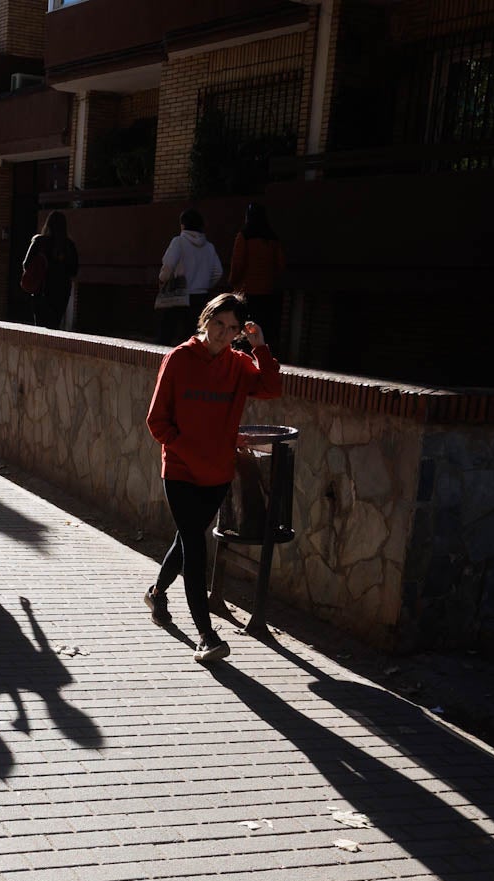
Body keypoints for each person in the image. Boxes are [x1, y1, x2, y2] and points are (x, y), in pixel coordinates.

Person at [144, 292, 281, 663]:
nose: (223, 334)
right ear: (206, 320)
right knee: (195, 545)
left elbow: (270, 388)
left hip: (218, 472)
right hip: (181, 470)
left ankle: (157, 593)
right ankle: (206, 635)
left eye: (232, 328)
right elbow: (157, 421)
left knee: (187, 541)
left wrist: (260, 348)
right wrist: (185, 448)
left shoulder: (238, 364)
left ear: (239, 333)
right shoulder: (178, 359)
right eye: (218, 324)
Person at [156, 208, 223, 345]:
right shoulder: (209, 247)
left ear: (183, 225)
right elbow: (218, 272)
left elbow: (168, 264)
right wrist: (205, 284)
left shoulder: (178, 242)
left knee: (167, 333)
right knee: (193, 337)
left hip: (178, 294)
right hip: (200, 296)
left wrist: (163, 279)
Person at [228, 203, 286, 351]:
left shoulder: (244, 235)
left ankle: (243, 353)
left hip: (246, 290)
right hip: (267, 291)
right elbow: (280, 265)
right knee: (263, 327)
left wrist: (232, 282)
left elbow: (238, 263)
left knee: (244, 326)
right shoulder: (273, 238)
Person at [23, 210, 79, 330]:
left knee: (40, 327)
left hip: (41, 291)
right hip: (61, 293)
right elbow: (74, 271)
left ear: (47, 224)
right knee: (54, 325)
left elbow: (26, 264)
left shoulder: (39, 242)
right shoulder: (69, 246)